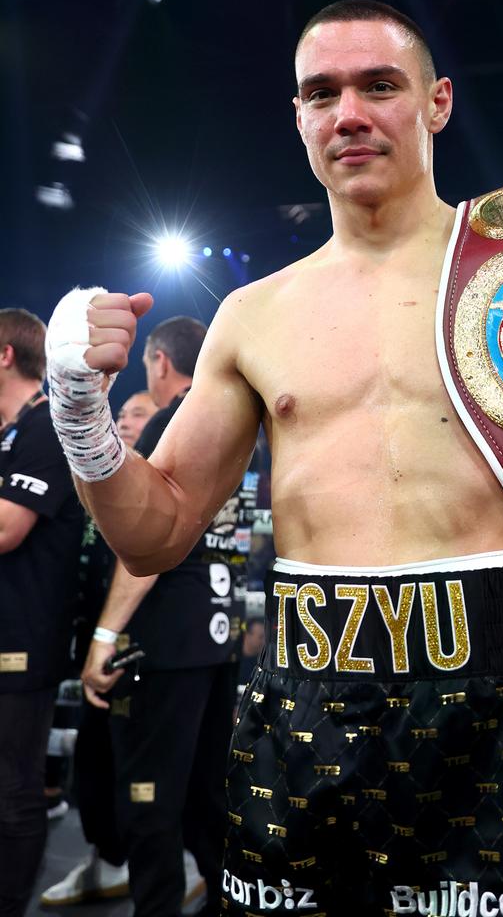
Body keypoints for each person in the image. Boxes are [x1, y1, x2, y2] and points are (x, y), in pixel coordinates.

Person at [45, 0, 503, 916]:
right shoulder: (254, 314)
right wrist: (80, 414)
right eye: (321, 93)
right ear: (297, 117)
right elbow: (155, 534)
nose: (350, 114)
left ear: (438, 102)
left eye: (380, 85)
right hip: (306, 705)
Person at [75, 317, 254, 917]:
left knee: (150, 806)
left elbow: (148, 543)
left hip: (166, 647)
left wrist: (103, 635)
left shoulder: (178, 418)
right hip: (218, 639)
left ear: (157, 361)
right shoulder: (242, 423)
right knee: (208, 802)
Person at [39, 391, 160, 907]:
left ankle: (135, 864)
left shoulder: (158, 484)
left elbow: (149, 562)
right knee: (92, 763)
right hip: (90, 642)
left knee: (140, 776)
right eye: (123, 412)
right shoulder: (100, 482)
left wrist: (107, 638)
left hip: (139, 653)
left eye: (139, 413)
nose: (126, 420)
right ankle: (107, 858)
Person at [0, 308, 83, 917]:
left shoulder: (44, 426)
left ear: (6, 355)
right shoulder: (9, 432)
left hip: (24, 638)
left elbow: (5, 528)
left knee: (13, 788)